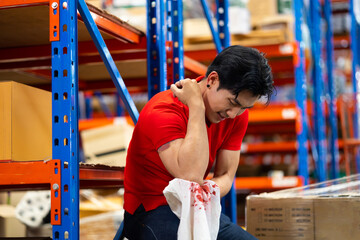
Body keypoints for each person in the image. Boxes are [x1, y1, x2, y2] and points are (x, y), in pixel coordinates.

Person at [122, 45, 274, 239]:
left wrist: (207, 190)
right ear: (212, 80)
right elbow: (190, 176)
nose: (233, 114)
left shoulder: (236, 117)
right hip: (152, 211)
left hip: (197, 209)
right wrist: (196, 106)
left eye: (244, 107)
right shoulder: (164, 110)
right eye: (232, 102)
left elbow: (226, 175)